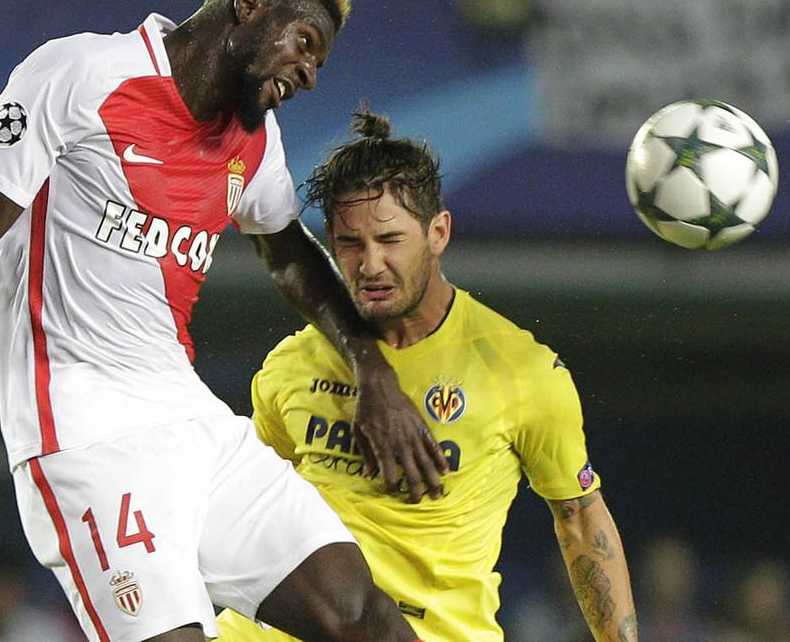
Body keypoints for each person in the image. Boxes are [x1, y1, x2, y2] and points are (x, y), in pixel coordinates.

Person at [0, 0, 446, 641]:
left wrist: (371, 369)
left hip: (192, 426)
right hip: (83, 441)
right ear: (247, 7)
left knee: (366, 619)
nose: (310, 74)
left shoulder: (253, 141)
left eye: (318, 59)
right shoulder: (79, 73)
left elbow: (291, 253)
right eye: (305, 43)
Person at [215, 108, 637, 641]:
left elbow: (580, 518)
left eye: (390, 240)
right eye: (349, 244)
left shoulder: (521, 370)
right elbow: (250, 505)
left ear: (438, 233)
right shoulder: (292, 364)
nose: (369, 265)